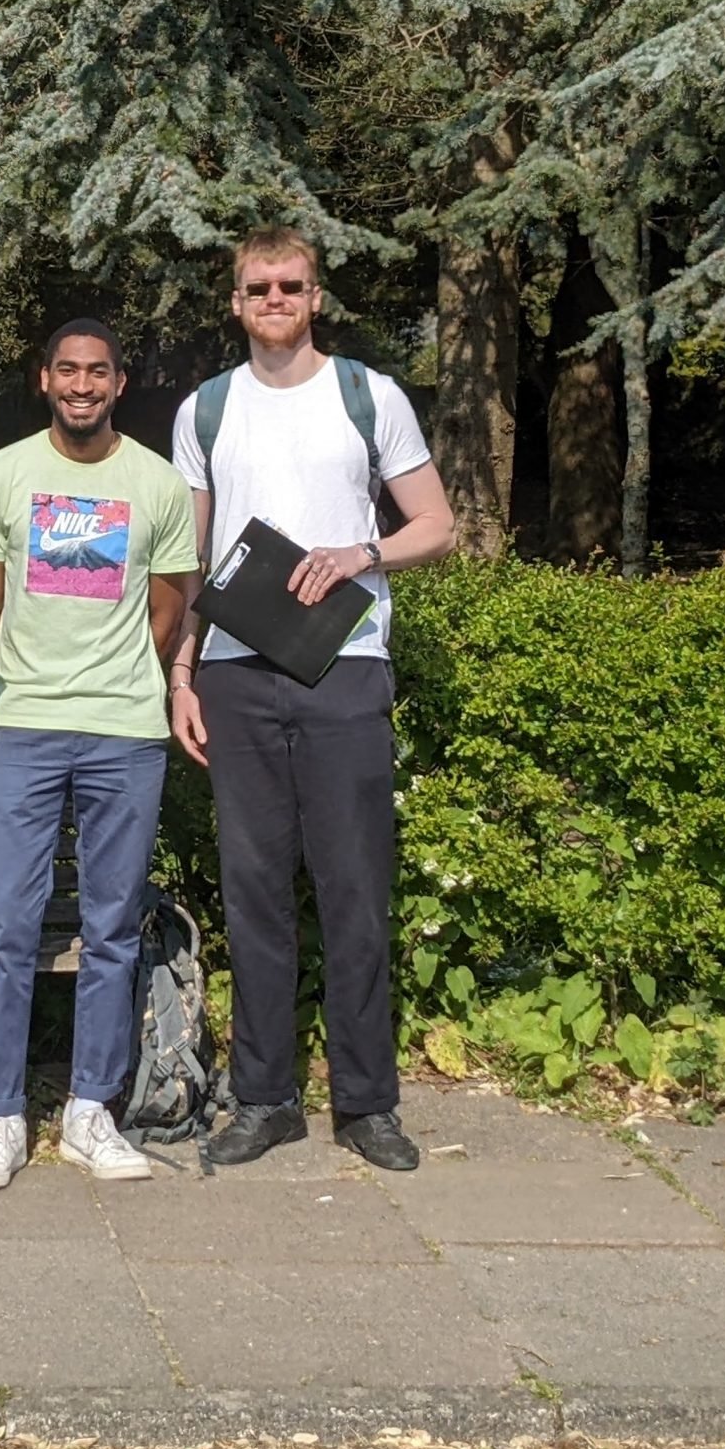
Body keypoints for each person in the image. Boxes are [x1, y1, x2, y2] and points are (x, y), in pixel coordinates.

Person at [168, 226, 457, 1172]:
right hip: (238, 675)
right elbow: (191, 559)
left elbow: (438, 526)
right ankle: (265, 1098)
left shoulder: (368, 396)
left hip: (346, 666)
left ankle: (368, 1106)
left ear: (316, 296)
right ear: (237, 302)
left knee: (354, 890)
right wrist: (181, 671)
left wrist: (359, 553)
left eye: (291, 285)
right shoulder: (206, 411)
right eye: (259, 288)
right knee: (254, 892)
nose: (276, 300)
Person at [0, 319, 201, 1190]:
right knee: (9, 931)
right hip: (21, 725)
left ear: (119, 384)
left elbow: (168, 607)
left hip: (126, 732)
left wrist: (119, 670)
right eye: (68, 370)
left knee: (109, 931)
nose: (82, 384)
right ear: (44, 378)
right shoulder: (2, 476)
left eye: (98, 371)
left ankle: (91, 1114)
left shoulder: (158, 485)